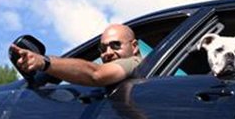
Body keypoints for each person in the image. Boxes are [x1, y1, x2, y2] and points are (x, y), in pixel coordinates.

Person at [9, 23, 142, 86]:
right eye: (102, 49)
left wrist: (44, 62)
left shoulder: (134, 63)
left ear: (134, 46)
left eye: (115, 45)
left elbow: (96, 74)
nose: (108, 53)